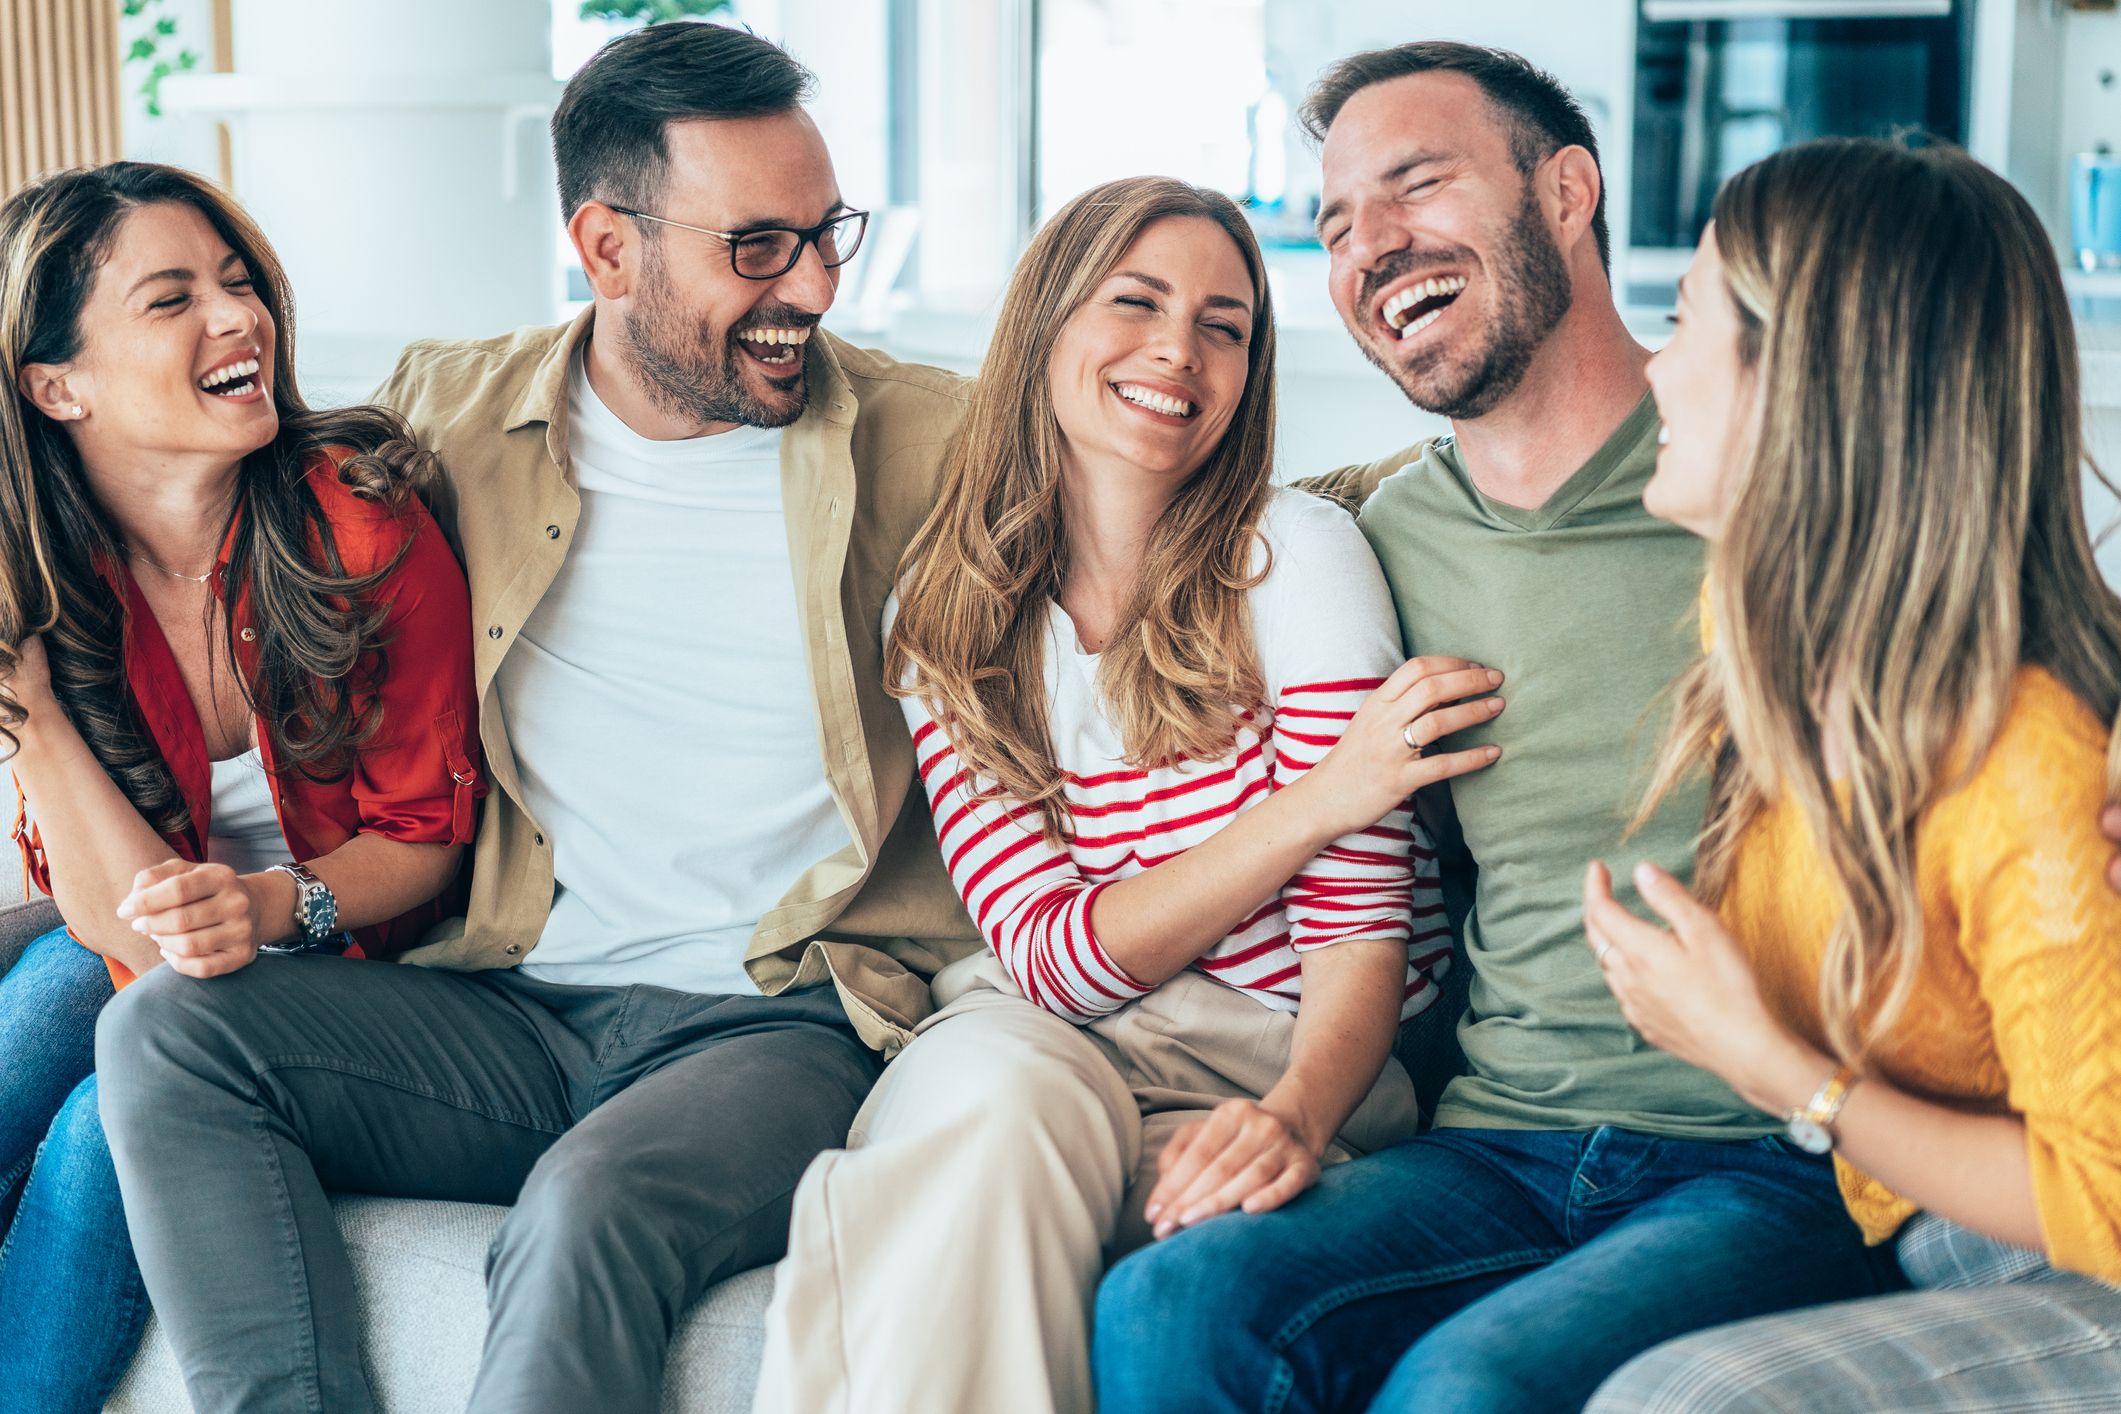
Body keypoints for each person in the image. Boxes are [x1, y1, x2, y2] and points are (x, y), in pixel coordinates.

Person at [91, 23, 979, 1414]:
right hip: (508, 1001)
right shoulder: (446, 413)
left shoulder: (931, 437)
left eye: (828, 235)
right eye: (756, 247)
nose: (811, 286)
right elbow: (184, 490)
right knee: (162, 1036)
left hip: (771, 1021)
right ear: (607, 248)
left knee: (582, 1208)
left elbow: (1188, 487)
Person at [1094, 44, 1904, 1413]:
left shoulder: (1775, 473)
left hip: (1763, 1156)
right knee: (1174, 1296)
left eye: (1418, 185)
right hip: (1496, 1141)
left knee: (1467, 1384)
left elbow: (2029, 626)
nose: (1372, 245)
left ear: (1568, 190)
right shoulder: (1366, 543)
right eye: (1339, 222)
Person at [752, 174, 1504, 1414]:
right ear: (1046, 323)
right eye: (1138, 302)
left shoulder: (1294, 560)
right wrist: (1320, 797)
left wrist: (1297, 1120)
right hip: (1039, 1032)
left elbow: (1357, 949)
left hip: (1276, 1049)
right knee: (985, 1133)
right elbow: (1049, 963)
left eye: (1224, 324)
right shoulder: (945, 614)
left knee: (1104, 1247)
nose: (1180, 350)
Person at [1576, 136, 2121, 1411]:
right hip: (1924, 1234)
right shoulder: (1776, 638)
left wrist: (1776, 1068)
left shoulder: (2023, 762)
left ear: (1805, 383)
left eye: (1680, 317)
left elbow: (2100, 1198)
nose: (1652, 364)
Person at [0, 161, 479, 1414]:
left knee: (112, 1117)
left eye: (237, 280)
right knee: (40, 1017)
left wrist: (272, 903)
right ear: (58, 385)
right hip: (169, 956)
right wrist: (33, 715)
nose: (238, 317)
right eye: (172, 299)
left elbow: (429, 839)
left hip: (370, 962)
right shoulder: (52, 582)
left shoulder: (361, 527)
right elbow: (125, 933)